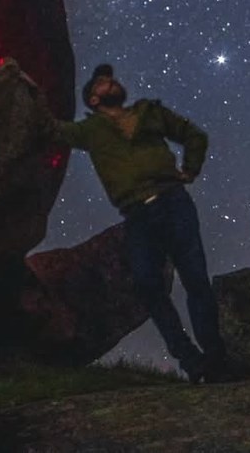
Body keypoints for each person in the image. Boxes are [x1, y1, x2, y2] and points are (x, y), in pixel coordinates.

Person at [47, 62, 228, 383]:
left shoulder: (150, 112)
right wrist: (20, 84)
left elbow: (194, 135)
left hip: (173, 201)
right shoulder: (90, 131)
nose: (111, 82)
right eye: (103, 83)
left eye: (111, 79)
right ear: (93, 100)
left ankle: (217, 361)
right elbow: (52, 129)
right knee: (147, 284)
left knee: (196, 279)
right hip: (137, 214)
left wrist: (191, 169)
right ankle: (190, 359)